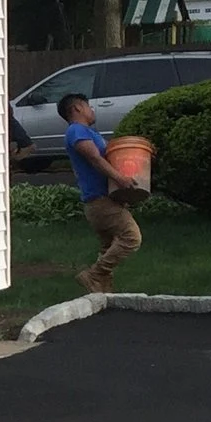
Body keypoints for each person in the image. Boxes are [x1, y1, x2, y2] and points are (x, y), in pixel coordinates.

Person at [59, 92, 140, 293]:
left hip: (102, 200)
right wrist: (120, 179)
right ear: (77, 108)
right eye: (88, 106)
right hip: (99, 200)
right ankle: (95, 274)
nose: (91, 110)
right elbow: (94, 159)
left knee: (108, 246)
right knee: (131, 238)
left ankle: (102, 293)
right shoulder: (77, 131)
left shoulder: (86, 132)